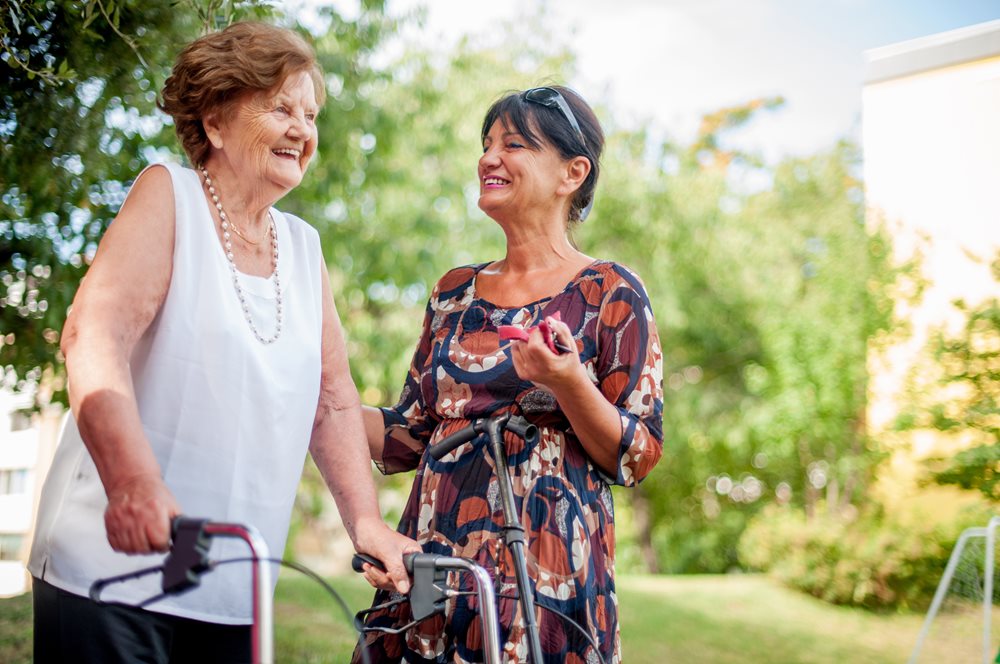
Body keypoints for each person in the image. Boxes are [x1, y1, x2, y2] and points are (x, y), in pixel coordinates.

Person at [28, 21, 416, 663]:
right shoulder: (168, 195)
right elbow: (93, 334)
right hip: (111, 570)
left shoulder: (303, 246)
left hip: (233, 583)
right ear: (214, 121)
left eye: (311, 113)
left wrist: (366, 524)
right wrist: (131, 482)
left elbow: (332, 401)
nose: (303, 129)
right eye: (281, 107)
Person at [354, 86, 664, 663]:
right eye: (487, 144)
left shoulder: (610, 293)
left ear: (572, 172)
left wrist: (570, 383)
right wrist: (323, 401)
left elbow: (637, 453)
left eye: (514, 144)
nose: (489, 158)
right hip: (432, 567)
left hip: (547, 581)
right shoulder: (453, 292)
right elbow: (408, 437)